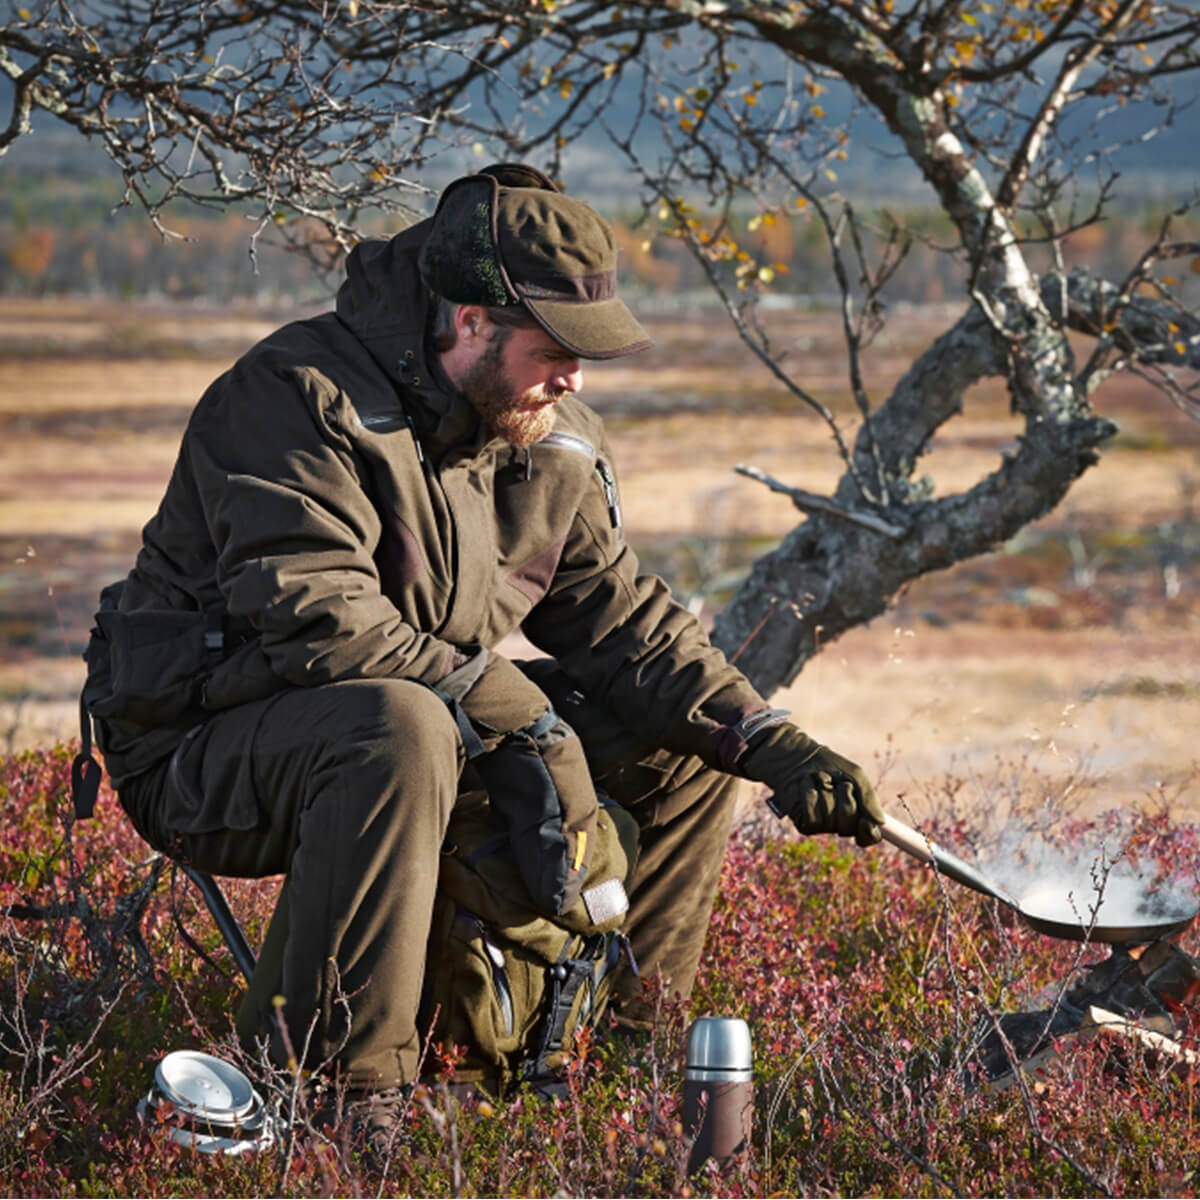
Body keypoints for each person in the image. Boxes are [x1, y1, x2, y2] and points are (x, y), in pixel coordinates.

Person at [84, 162, 883, 1137]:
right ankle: (340, 1105)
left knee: (678, 749)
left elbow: (623, 621)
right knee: (400, 725)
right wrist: (515, 715)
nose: (576, 378)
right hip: (205, 741)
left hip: (414, 722)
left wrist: (764, 737)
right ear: (470, 323)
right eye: (556, 351)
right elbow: (318, 620)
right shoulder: (293, 401)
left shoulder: (545, 434)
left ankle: (617, 1080)